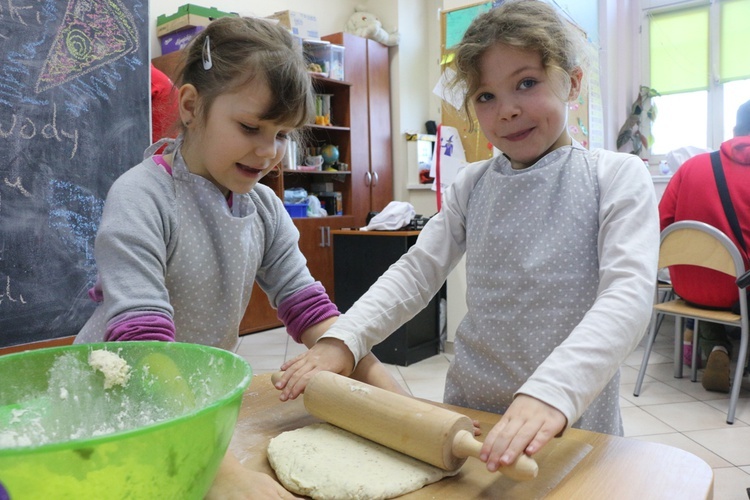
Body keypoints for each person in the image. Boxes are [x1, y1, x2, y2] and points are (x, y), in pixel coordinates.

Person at [276, 0, 658, 475]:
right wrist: (344, 339)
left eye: (527, 83)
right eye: (485, 96)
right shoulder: (473, 185)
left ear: (573, 82)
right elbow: (416, 273)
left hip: (569, 410)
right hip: (473, 410)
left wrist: (552, 391)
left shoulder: (616, 176)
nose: (508, 110)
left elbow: (628, 295)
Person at [74, 17, 403, 499]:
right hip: (116, 402)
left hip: (194, 404)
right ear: (191, 106)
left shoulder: (264, 208)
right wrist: (221, 472)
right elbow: (144, 345)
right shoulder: (143, 197)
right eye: (250, 127)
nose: (269, 152)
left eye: (283, 134)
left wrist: (381, 387)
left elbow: (309, 309)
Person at [659, 99, 750, 393]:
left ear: (735, 130)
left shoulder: (692, 166)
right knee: (738, 284)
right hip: (741, 293)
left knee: (717, 281)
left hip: (688, 289)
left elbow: (661, 225)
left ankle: (715, 347)